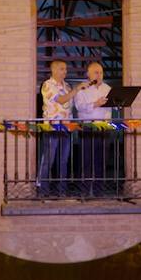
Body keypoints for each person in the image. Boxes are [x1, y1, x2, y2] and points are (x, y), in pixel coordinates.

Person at [38, 60, 87, 195]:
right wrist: (77, 89)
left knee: (63, 161)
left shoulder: (67, 86)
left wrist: (73, 125)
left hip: (66, 128)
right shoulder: (47, 85)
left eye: (65, 69)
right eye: (62, 69)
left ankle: (62, 192)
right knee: (49, 160)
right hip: (52, 128)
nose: (65, 71)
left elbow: (70, 108)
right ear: (53, 70)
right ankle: (43, 191)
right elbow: (61, 100)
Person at [73, 62, 112, 195]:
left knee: (102, 160)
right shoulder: (82, 88)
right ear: (88, 74)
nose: (99, 75)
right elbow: (79, 107)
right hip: (88, 128)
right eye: (96, 72)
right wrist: (96, 104)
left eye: (101, 72)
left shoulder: (107, 88)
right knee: (86, 160)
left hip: (104, 128)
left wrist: (118, 103)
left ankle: (99, 191)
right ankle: (83, 192)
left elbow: (111, 107)